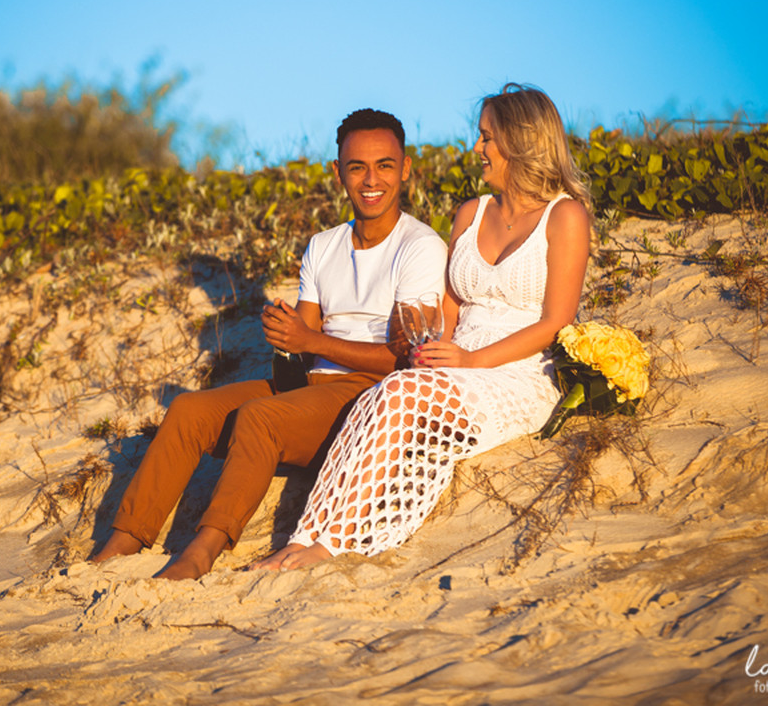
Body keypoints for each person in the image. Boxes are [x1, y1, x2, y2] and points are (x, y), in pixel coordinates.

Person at [89, 108, 449, 580]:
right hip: (311, 387)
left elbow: (402, 361)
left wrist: (309, 338)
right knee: (189, 410)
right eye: (356, 166)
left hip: (370, 396)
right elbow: (300, 352)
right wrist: (284, 336)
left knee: (260, 418)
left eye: (384, 165)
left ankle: (202, 550)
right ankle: (124, 540)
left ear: (405, 169)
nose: (371, 179)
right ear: (337, 172)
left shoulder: (419, 246)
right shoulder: (323, 246)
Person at [252, 84, 592, 571]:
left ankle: (329, 542)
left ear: (519, 141)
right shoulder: (471, 214)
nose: (477, 149)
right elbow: (449, 308)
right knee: (386, 391)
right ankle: (309, 534)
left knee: (400, 397)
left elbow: (556, 321)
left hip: (520, 370)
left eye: (486, 138)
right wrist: (431, 345)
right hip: (459, 357)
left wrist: (471, 361)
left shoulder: (565, 215)